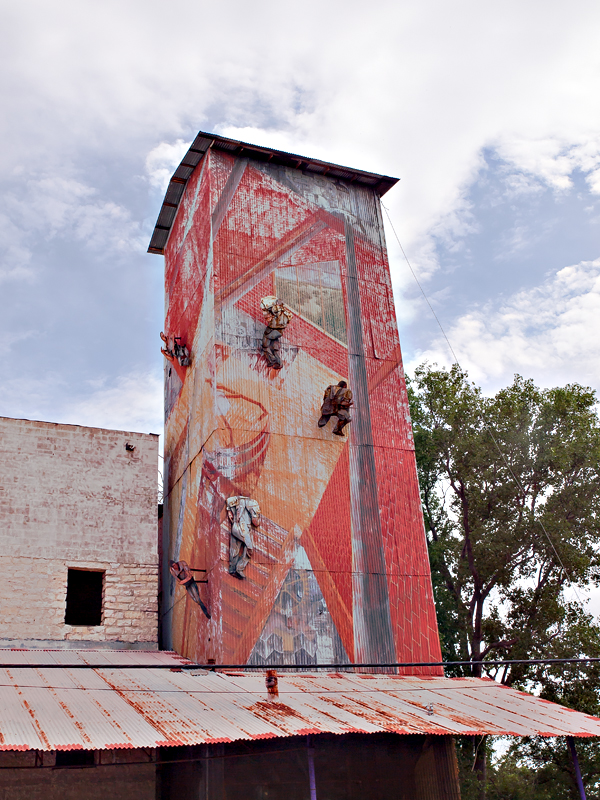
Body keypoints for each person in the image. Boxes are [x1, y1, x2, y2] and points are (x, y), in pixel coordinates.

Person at [226, 496, 261, 578]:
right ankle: (239, 568)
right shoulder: (253, 503)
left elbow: (229, 500)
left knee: (234, 549)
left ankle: (232, 568)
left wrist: (229, 510)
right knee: (249, 548)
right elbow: (255, 522)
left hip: (235, 527)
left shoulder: (237, 500)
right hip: (243, 529)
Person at [260, 296, 293, 369]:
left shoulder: (277, 310)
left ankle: (272, 360)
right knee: (274, 348)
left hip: (273, 331)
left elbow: (271, 311)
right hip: (279, 332)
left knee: (265, 345)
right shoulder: (286, 314)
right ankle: (279, 363)